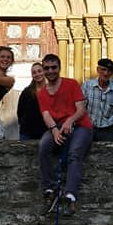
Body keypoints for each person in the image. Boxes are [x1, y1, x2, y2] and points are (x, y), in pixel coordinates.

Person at [37, 53, 93, 216]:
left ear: (59, 68)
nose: (50, 71)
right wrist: (54, 130)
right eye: (47, 68)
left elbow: (81, 109)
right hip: (59, 127)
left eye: (54, 67)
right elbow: (46, 115)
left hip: (81, 126)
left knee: (74, 154)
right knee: (44, 146)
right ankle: (50, 190)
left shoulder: (71, 84)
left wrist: (70, 121)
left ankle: (70, 196)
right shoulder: (42, 93)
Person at [81, 57, 113, 142]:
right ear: (98, 70)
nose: (106, 73)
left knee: (109, 153)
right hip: (88, 128)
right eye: (103, 69)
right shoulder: (87, 86)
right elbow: (80, 107)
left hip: (107, 130)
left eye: (109, 71)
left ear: (112, 73)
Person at [17, 62, 47, 141]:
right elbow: (20, 111)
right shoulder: (26, 92)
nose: (37, 74)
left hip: (46, 132)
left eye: (39, 71)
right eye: (34, 73)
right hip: (27, 132)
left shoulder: (50, 90)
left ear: (44, 72)